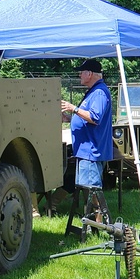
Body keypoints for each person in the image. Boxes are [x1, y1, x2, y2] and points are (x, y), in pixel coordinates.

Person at [61, 59, 114, 190]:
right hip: (86, 151)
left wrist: (73, 108)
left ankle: (99, 211)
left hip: (91, 151)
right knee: (86, 188)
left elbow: (95, 117)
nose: (79, 75)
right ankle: (94, 210)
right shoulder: (93, 91)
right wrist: (70, 118)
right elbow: (86, 118)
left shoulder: (99, 92)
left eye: (81, 72)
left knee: (91, 189)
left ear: (89, 74)